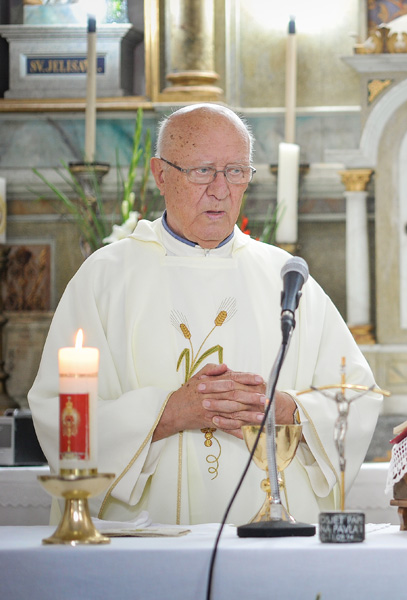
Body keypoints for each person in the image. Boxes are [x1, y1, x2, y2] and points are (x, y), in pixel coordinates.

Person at [28, 104, 381, 525]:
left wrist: (288, 412)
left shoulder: (285, 277)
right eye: (202, 171)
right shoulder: (105, 278)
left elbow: (356, 396)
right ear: (161, 175)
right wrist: (166, 413)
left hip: (267, 544)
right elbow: (59, 412)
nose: (220, 190)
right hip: (145, 542)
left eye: (236, 171)